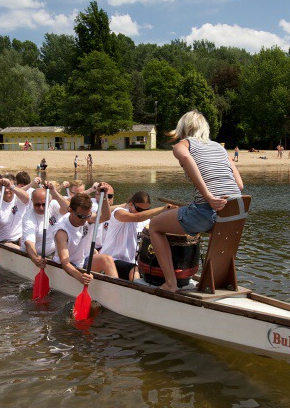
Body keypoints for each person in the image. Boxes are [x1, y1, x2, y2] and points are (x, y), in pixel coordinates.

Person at [148, 110, 243, 292]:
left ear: (183, 128)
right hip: (233, 213)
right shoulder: (220, 148)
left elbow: (185, 157)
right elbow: (239, 185)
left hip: (207, 210)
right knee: (211, 228)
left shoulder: (182, 146)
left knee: (155, 226)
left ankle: (170, 283)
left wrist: (208, 196)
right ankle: (214, 280)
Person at [100, 191, 176, 280]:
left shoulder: (147, 222)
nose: (143, 213)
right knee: (134, 270)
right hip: (112, 260)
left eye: (146, 210)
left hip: (133, 263)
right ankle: (135, 286)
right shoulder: (118, 213)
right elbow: (138, 217)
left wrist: (175, 212)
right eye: (139, 209)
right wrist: (163, 208)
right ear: (131, 204)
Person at [53, 191, 117, 285]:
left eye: (87, 216)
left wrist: (104, 197)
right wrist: (80, 277)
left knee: (107, 259)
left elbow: (106, 217)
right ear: (70, 210)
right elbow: (65, 263)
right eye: (81, 216)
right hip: (70, 264)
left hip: (84, 259)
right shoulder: (62, 231)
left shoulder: (88, 217)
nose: (84, 220)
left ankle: (115, 289)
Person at [22, 185, 63, 268]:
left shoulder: (53, 205)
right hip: (37, 254)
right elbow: (29, 242)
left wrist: (55, 193)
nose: (41, 208)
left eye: (44, 204)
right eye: (37, 205)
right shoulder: (28, 217)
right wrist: (35, 258)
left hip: (54, 252)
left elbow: (68, 209)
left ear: (49, 201)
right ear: (32, 201)